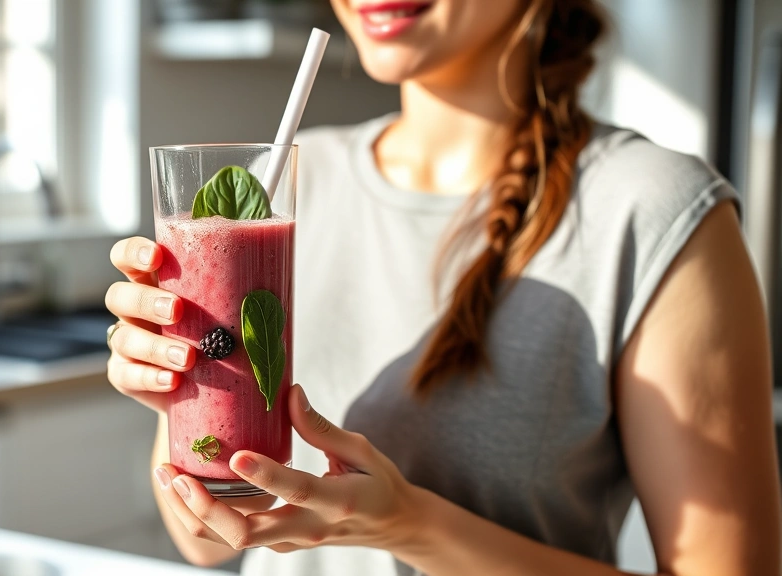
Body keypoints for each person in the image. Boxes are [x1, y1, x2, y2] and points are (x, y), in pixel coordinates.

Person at [103, 0, 782, 574]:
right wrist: (179, 397)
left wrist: (412, 527)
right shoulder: (284, 193)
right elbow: (202, 538)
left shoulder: (653, 211)